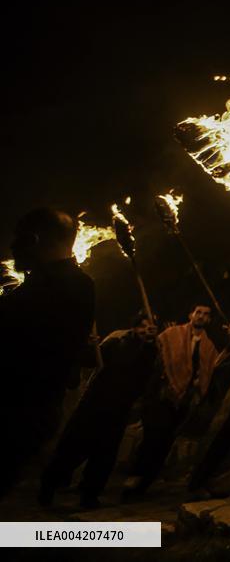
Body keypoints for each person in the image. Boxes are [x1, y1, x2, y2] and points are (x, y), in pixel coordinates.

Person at [0, 208, 96, 498]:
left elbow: (27, 348)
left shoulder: (67, 286)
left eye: (20, 239)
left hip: (18, 411)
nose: (13, 247)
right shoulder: (39, 284)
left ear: (37, 240)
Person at [39, 313, 160, 508]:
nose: (146, 330)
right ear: (134, 327)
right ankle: (48, 487)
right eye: (142, 326)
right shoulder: (117, 340)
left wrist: (148, 344)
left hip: (120, 408)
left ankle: (90, 495)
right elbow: (92, 360)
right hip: (95, 403)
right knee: (73, 447)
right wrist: (89, 345)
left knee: (105, 454)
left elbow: (145, 372)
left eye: (150, 327)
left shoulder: (152, 349)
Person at [122, 303, 221, 500]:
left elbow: (211, 369)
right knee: (152, 438)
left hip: (183, 402)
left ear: (209, 320)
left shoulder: (209, 346)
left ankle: (145, 483)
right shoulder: (171, 334)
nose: (201, 316)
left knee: (166, 441)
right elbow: (156, 352)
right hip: (162, 396)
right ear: (191, 314)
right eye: (198, 312)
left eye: (206, 314)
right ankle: (133, 481)